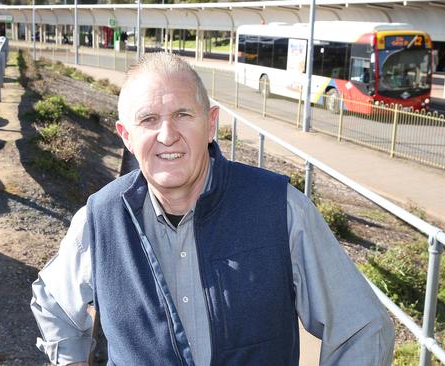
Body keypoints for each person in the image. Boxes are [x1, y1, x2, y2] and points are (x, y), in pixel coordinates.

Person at [30, 52, 395, 366]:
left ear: (211, 124)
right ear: (126, 136)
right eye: (148, 120)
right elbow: (52, 302)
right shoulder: (99, 219)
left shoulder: (280, 210)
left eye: (183, 114)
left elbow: (362, 327)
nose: (167, 134)